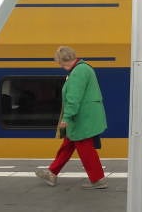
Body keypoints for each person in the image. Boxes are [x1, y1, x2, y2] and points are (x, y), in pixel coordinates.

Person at [35, 46, 108, 189]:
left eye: (60, 63)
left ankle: (98, 179)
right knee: (68, 145)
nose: (60, 66)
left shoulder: (78, 72)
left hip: (82, 118)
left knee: (85, 148)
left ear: (63, 60)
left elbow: (73, 98)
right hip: (83, 117)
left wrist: (66, 118)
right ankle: (52, 173)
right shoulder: (83, 68)